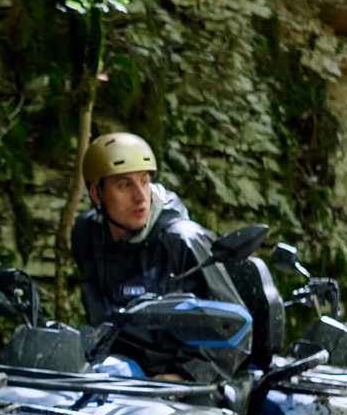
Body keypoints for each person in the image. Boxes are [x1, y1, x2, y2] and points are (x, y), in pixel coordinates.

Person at [67, 132, 231, 324]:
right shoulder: (87, 233)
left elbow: (231, 325)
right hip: (111, 351)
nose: (140, 196)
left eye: (145, 181)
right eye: (125, 185)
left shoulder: (184, 240)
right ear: (96, 194)